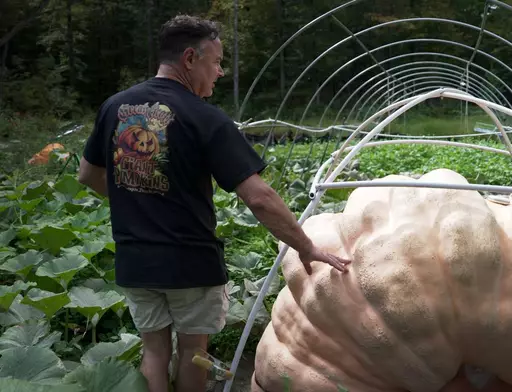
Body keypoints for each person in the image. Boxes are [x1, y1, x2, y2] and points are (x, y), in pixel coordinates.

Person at [78, 14, 351, 392]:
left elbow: (88, 175)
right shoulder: (205, 118)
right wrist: (306, 247)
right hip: (190, 262)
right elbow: (259, 197)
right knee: (193, 352)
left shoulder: (114, 107)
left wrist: (137, 198)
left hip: (134, 258)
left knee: (153, 352)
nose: (220, 72)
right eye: (217, 62)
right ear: (190, 58)